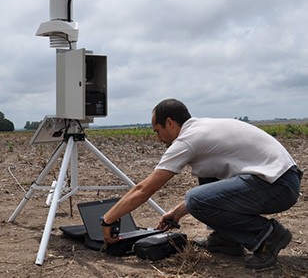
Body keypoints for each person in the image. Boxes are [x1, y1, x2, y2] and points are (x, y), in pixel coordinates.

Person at [101, 98, 303, 269]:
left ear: (170, 122)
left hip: (277, 185)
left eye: (157, 131)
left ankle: (268, 236)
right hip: (280, 180)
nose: (157, 138)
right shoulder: (203, 128)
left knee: (195, 198)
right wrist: (177, 213)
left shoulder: (188, 140)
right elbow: (215, 188)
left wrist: (109, 219)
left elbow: (144, 189)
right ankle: (227, 240)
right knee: (207, 178)